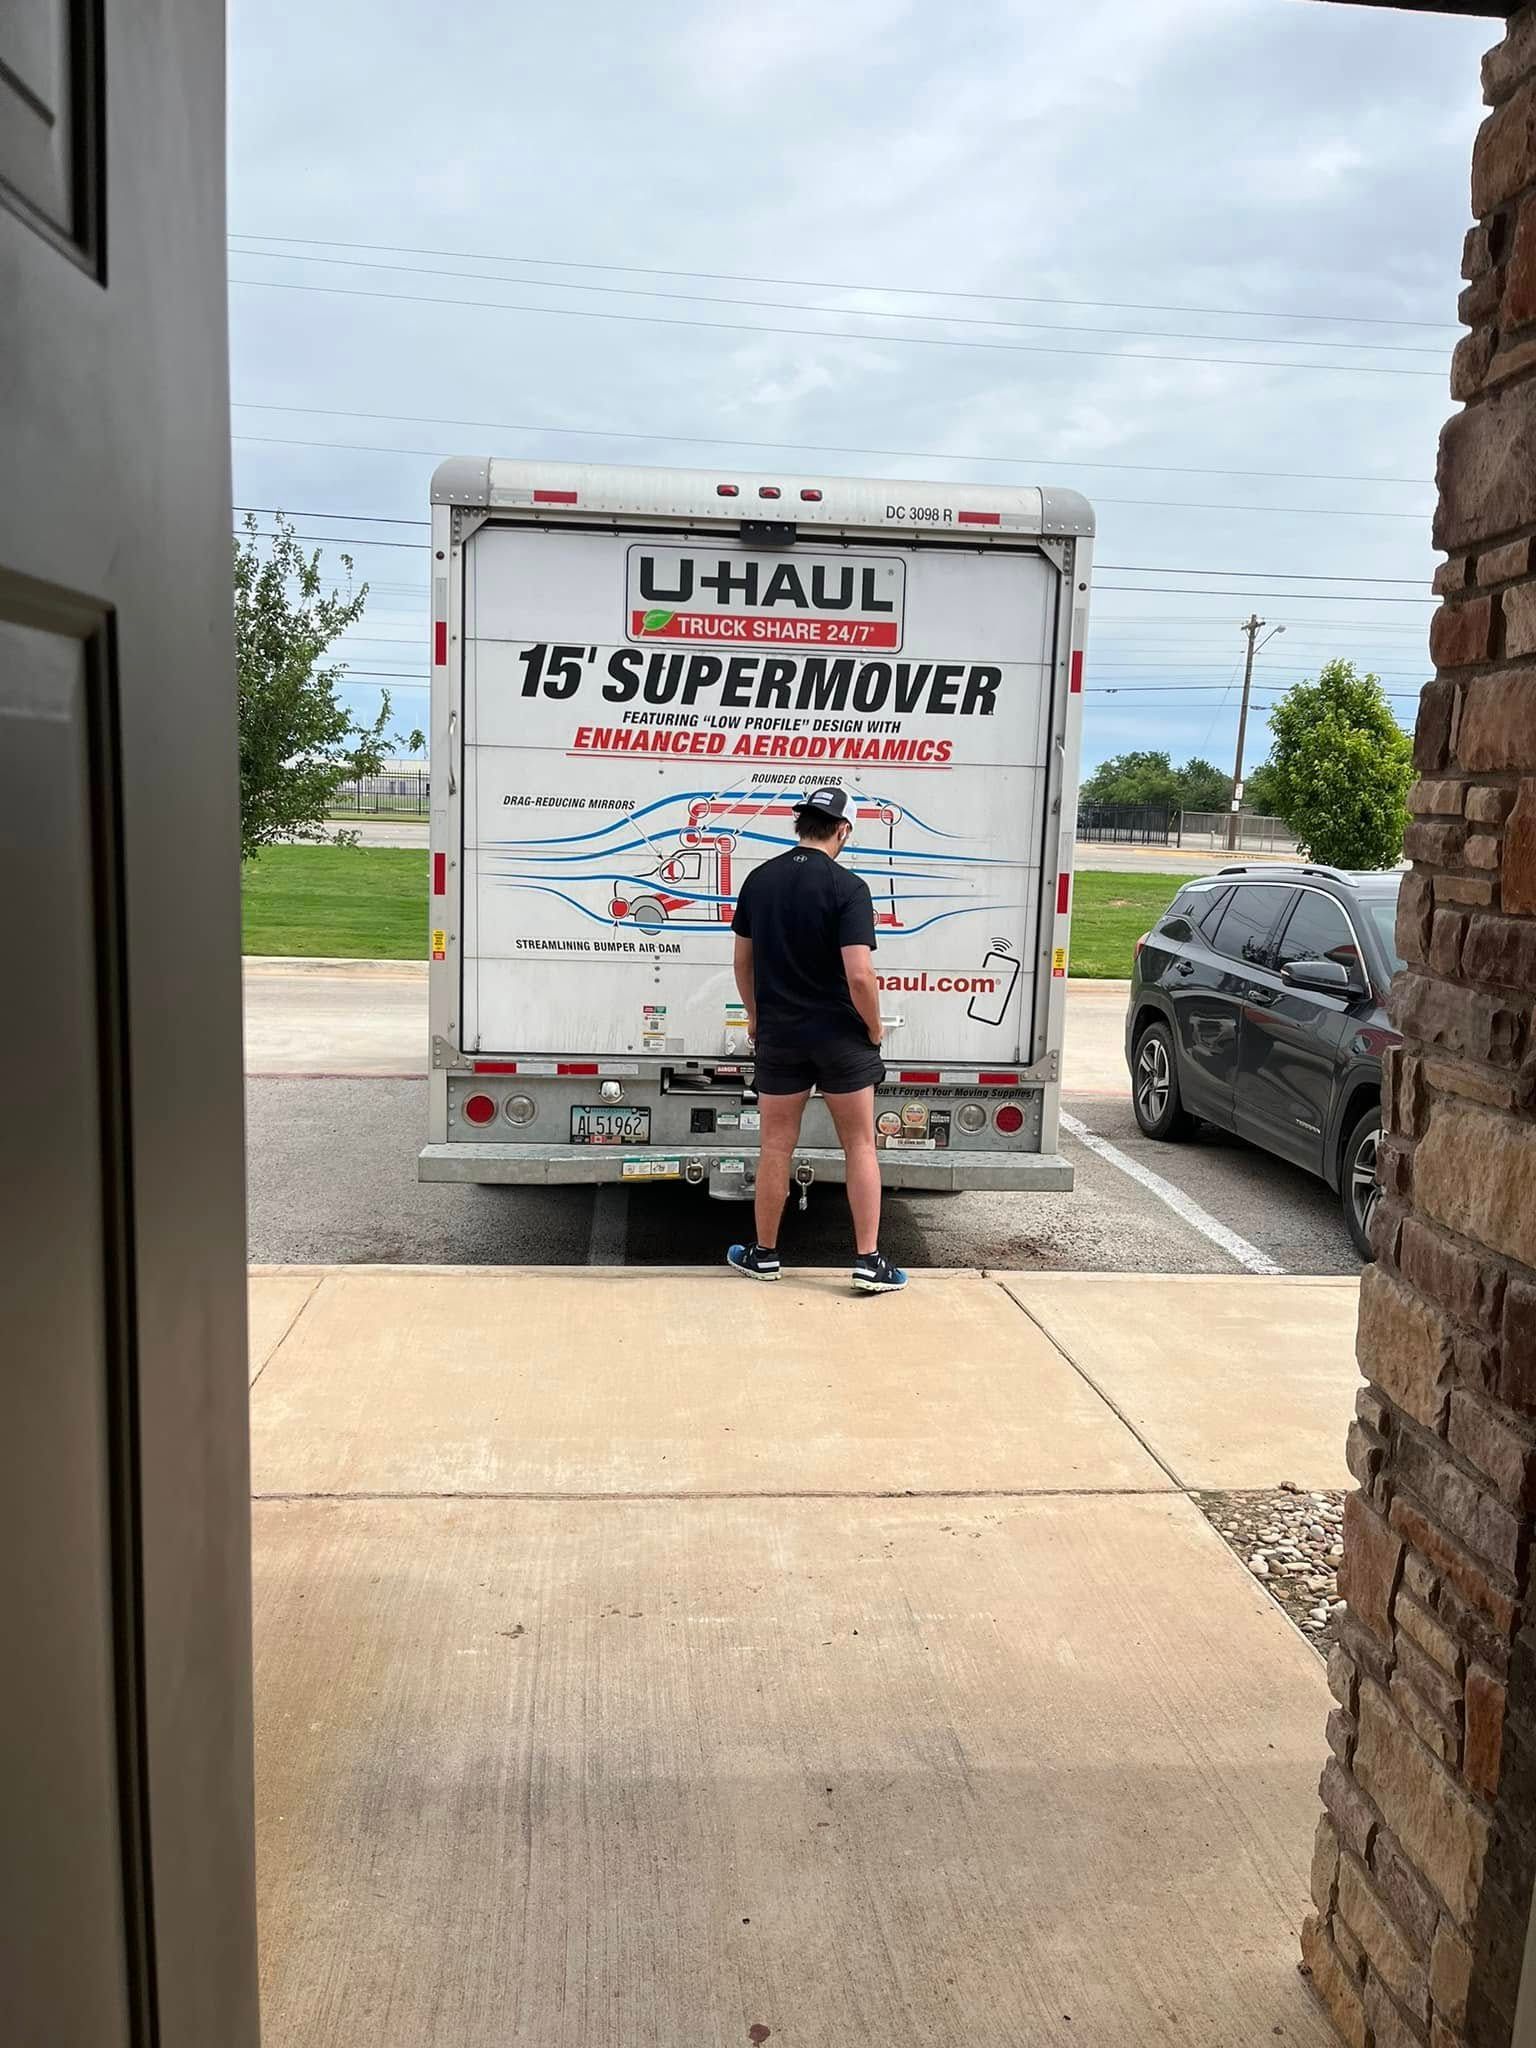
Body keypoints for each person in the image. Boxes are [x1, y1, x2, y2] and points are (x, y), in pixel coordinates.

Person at [725, 787, 908, 1294]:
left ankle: (763, 1255)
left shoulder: (759, 880)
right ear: (843, 830)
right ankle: (869, 1262)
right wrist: (871, 1028)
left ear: (800, 825)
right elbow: (860, 975)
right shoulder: (849, 886)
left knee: (775, 1148)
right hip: (840, 1038)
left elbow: (743, 963)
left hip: (781, 1035)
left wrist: (756, 1017)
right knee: (860, 1145)